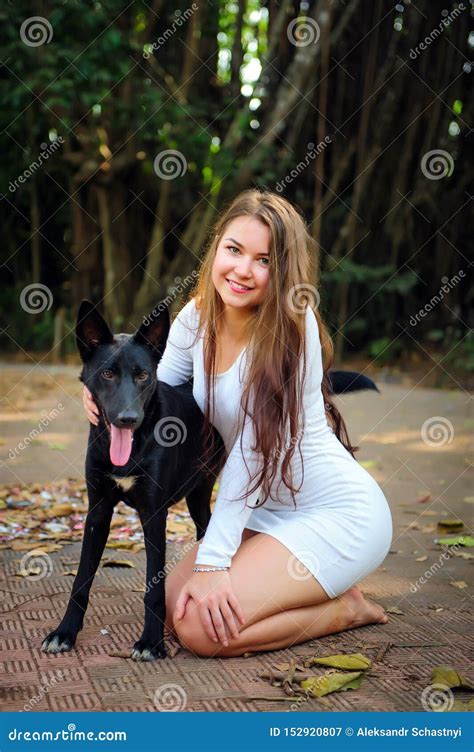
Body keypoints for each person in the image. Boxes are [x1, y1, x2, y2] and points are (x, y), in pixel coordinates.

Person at [83, 189, 393, 658]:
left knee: (201, 633)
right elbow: (154, 395)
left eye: (263, 259)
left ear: (283, 270)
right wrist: (98, 390)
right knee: (171, 610)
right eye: (233, 250)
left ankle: (347, 610)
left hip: (335, 513)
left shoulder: (293, 328)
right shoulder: (196, 317)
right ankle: (317, 592)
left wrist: (213, 561)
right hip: (263, 512)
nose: (243, 269)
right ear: (216, 250)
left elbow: (250, 451)